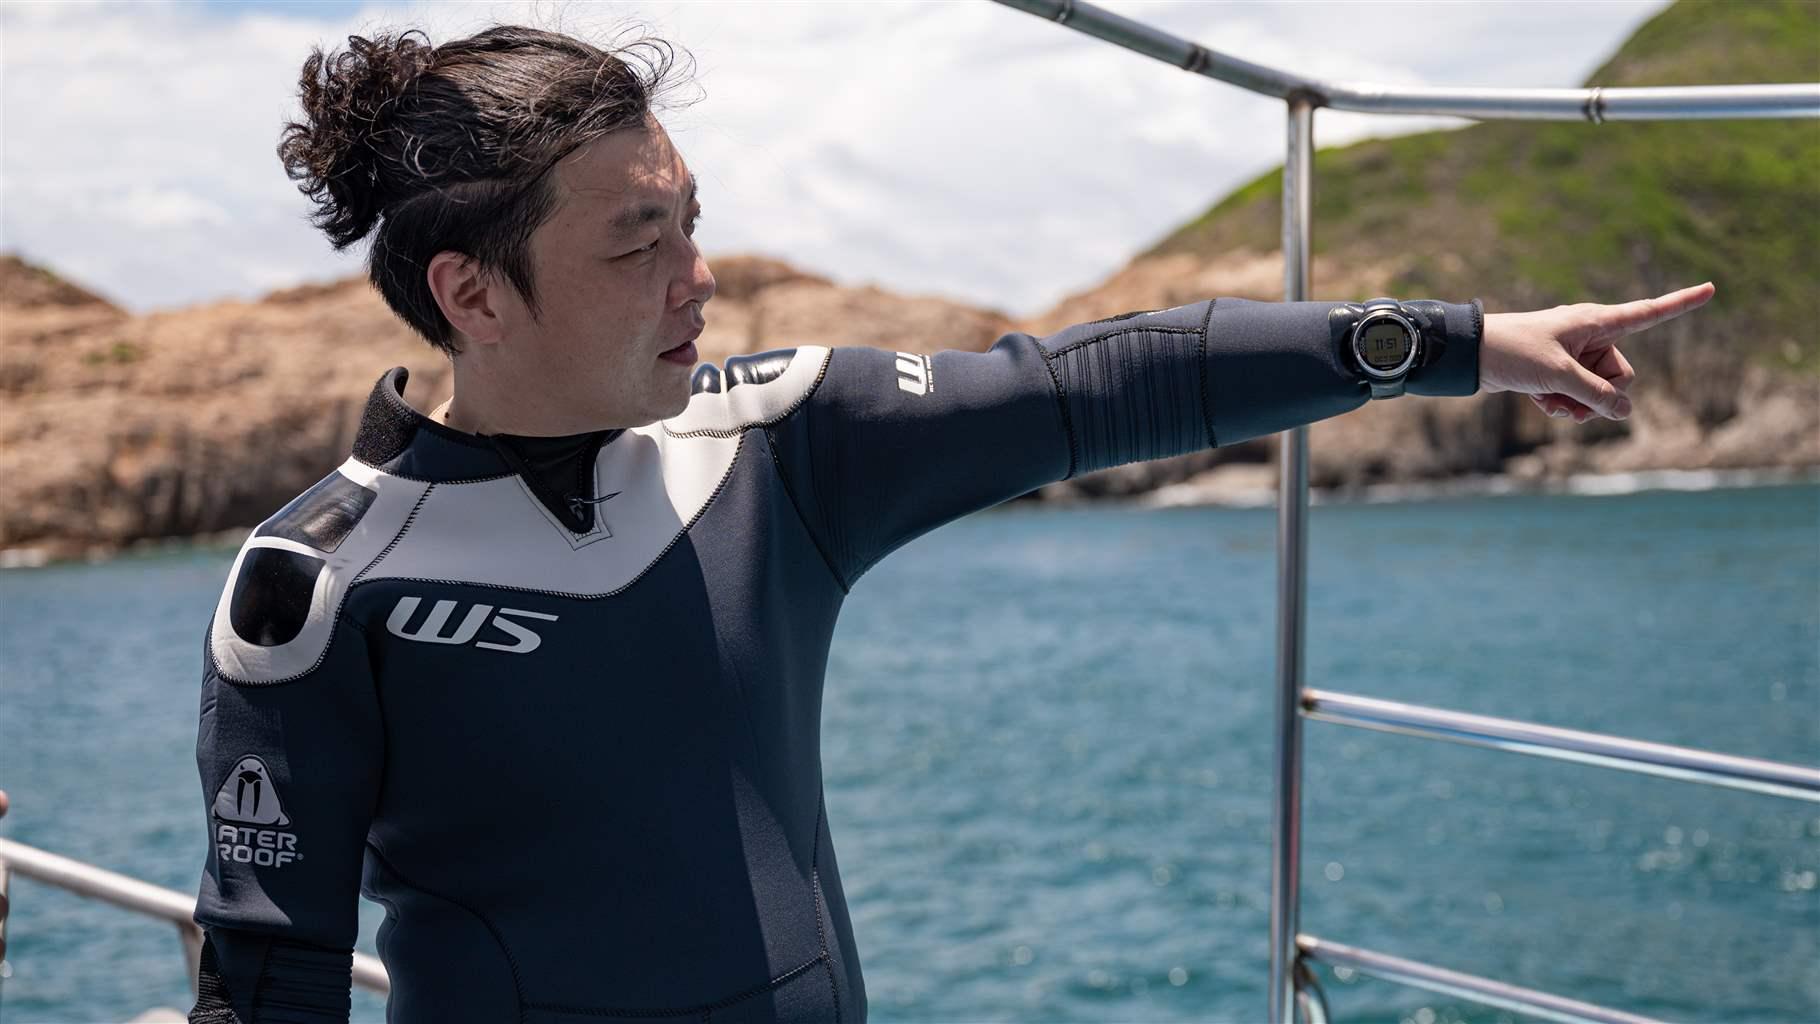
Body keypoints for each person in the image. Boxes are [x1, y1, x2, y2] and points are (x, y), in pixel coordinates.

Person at [186, 23, 1713, 1024]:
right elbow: (271, 979)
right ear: (471, 294)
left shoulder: (773, 446)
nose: (697, 277)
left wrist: (1453, 341)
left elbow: (1092, 384)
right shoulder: (319, 590)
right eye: (638, 241)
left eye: (692, 219)